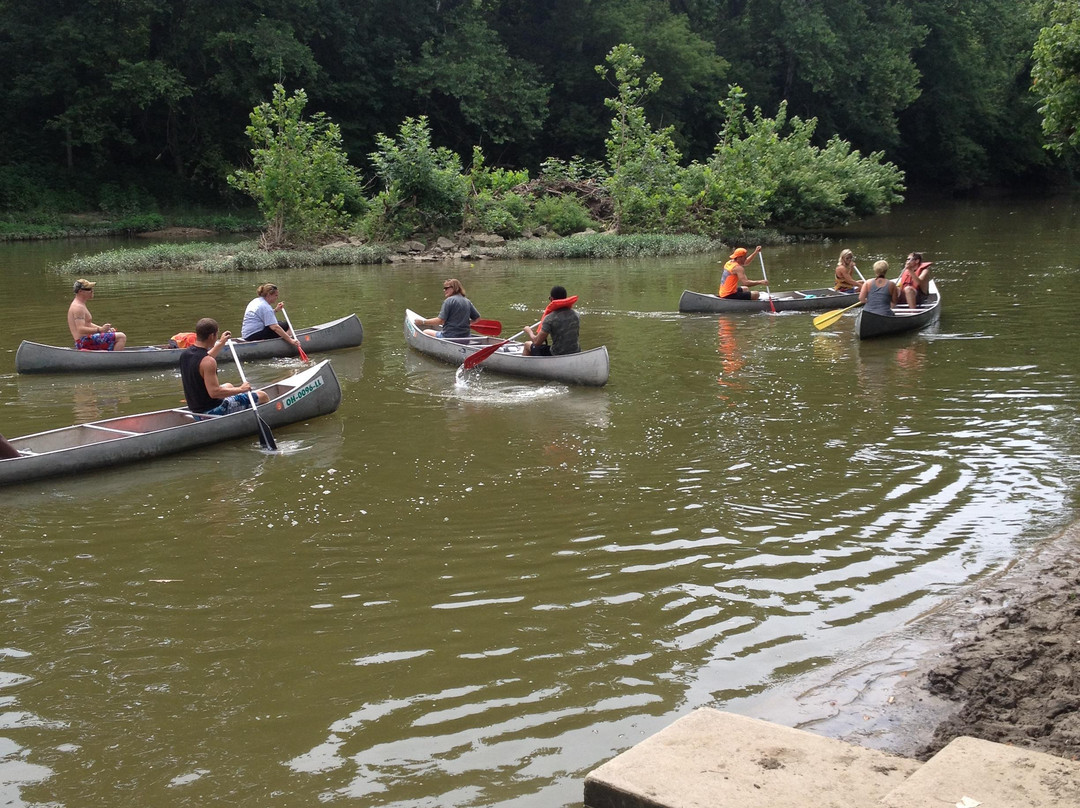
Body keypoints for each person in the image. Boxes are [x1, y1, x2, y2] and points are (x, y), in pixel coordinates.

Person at [180, 318, 269, 415]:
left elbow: (203, 360)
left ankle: (242, 407)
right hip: (212, 411)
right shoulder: (208, 362)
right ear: (212, 336)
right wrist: (241, 389)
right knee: (262, 395)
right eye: (216, 334)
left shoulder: (186, 354)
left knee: (228, 385)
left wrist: (221, 343)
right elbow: (214, 393)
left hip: (196, 409)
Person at [67, 278, 127, 351]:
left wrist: (105, 330)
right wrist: (100, 329)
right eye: (89, 289)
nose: (92, 291)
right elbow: (80, 329)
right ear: (80, 291)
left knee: (114, 336)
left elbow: (87, 324)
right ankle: (113, 357)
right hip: (83, 342)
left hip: (86, 340)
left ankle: (108, 354)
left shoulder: (80, 304)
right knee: (121, 337)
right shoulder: (78, 307)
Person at [523, 286, 580, 357]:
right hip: (576, 352)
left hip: (557, 354)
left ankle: (525, 364)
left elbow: (537, 342)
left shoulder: (549, 318)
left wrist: (529, 331)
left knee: (527, 344)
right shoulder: (576, 314)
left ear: (551, 299)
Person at [241, 282, 301, 349]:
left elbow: (263, 315)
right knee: (287, 325)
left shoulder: (256, 301)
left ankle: (284, 338)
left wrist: (275, 310)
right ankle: (289, 343)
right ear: (269, 295)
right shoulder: (265, 306)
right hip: (254, 336)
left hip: (246, 335)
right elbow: (275, 327)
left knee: (280, 323)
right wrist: (291, 340)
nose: (277, 298)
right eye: (276, 295)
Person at [414, 278, 480, 338]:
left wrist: (423, 322)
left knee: (426, 331)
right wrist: (463, 323)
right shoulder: (467, 301)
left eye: (446, 288)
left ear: (454, 288)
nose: (444, 290)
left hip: (449, 336)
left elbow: (440, 320)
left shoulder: (449, 301)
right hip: (466, 336)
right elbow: (477, 318)